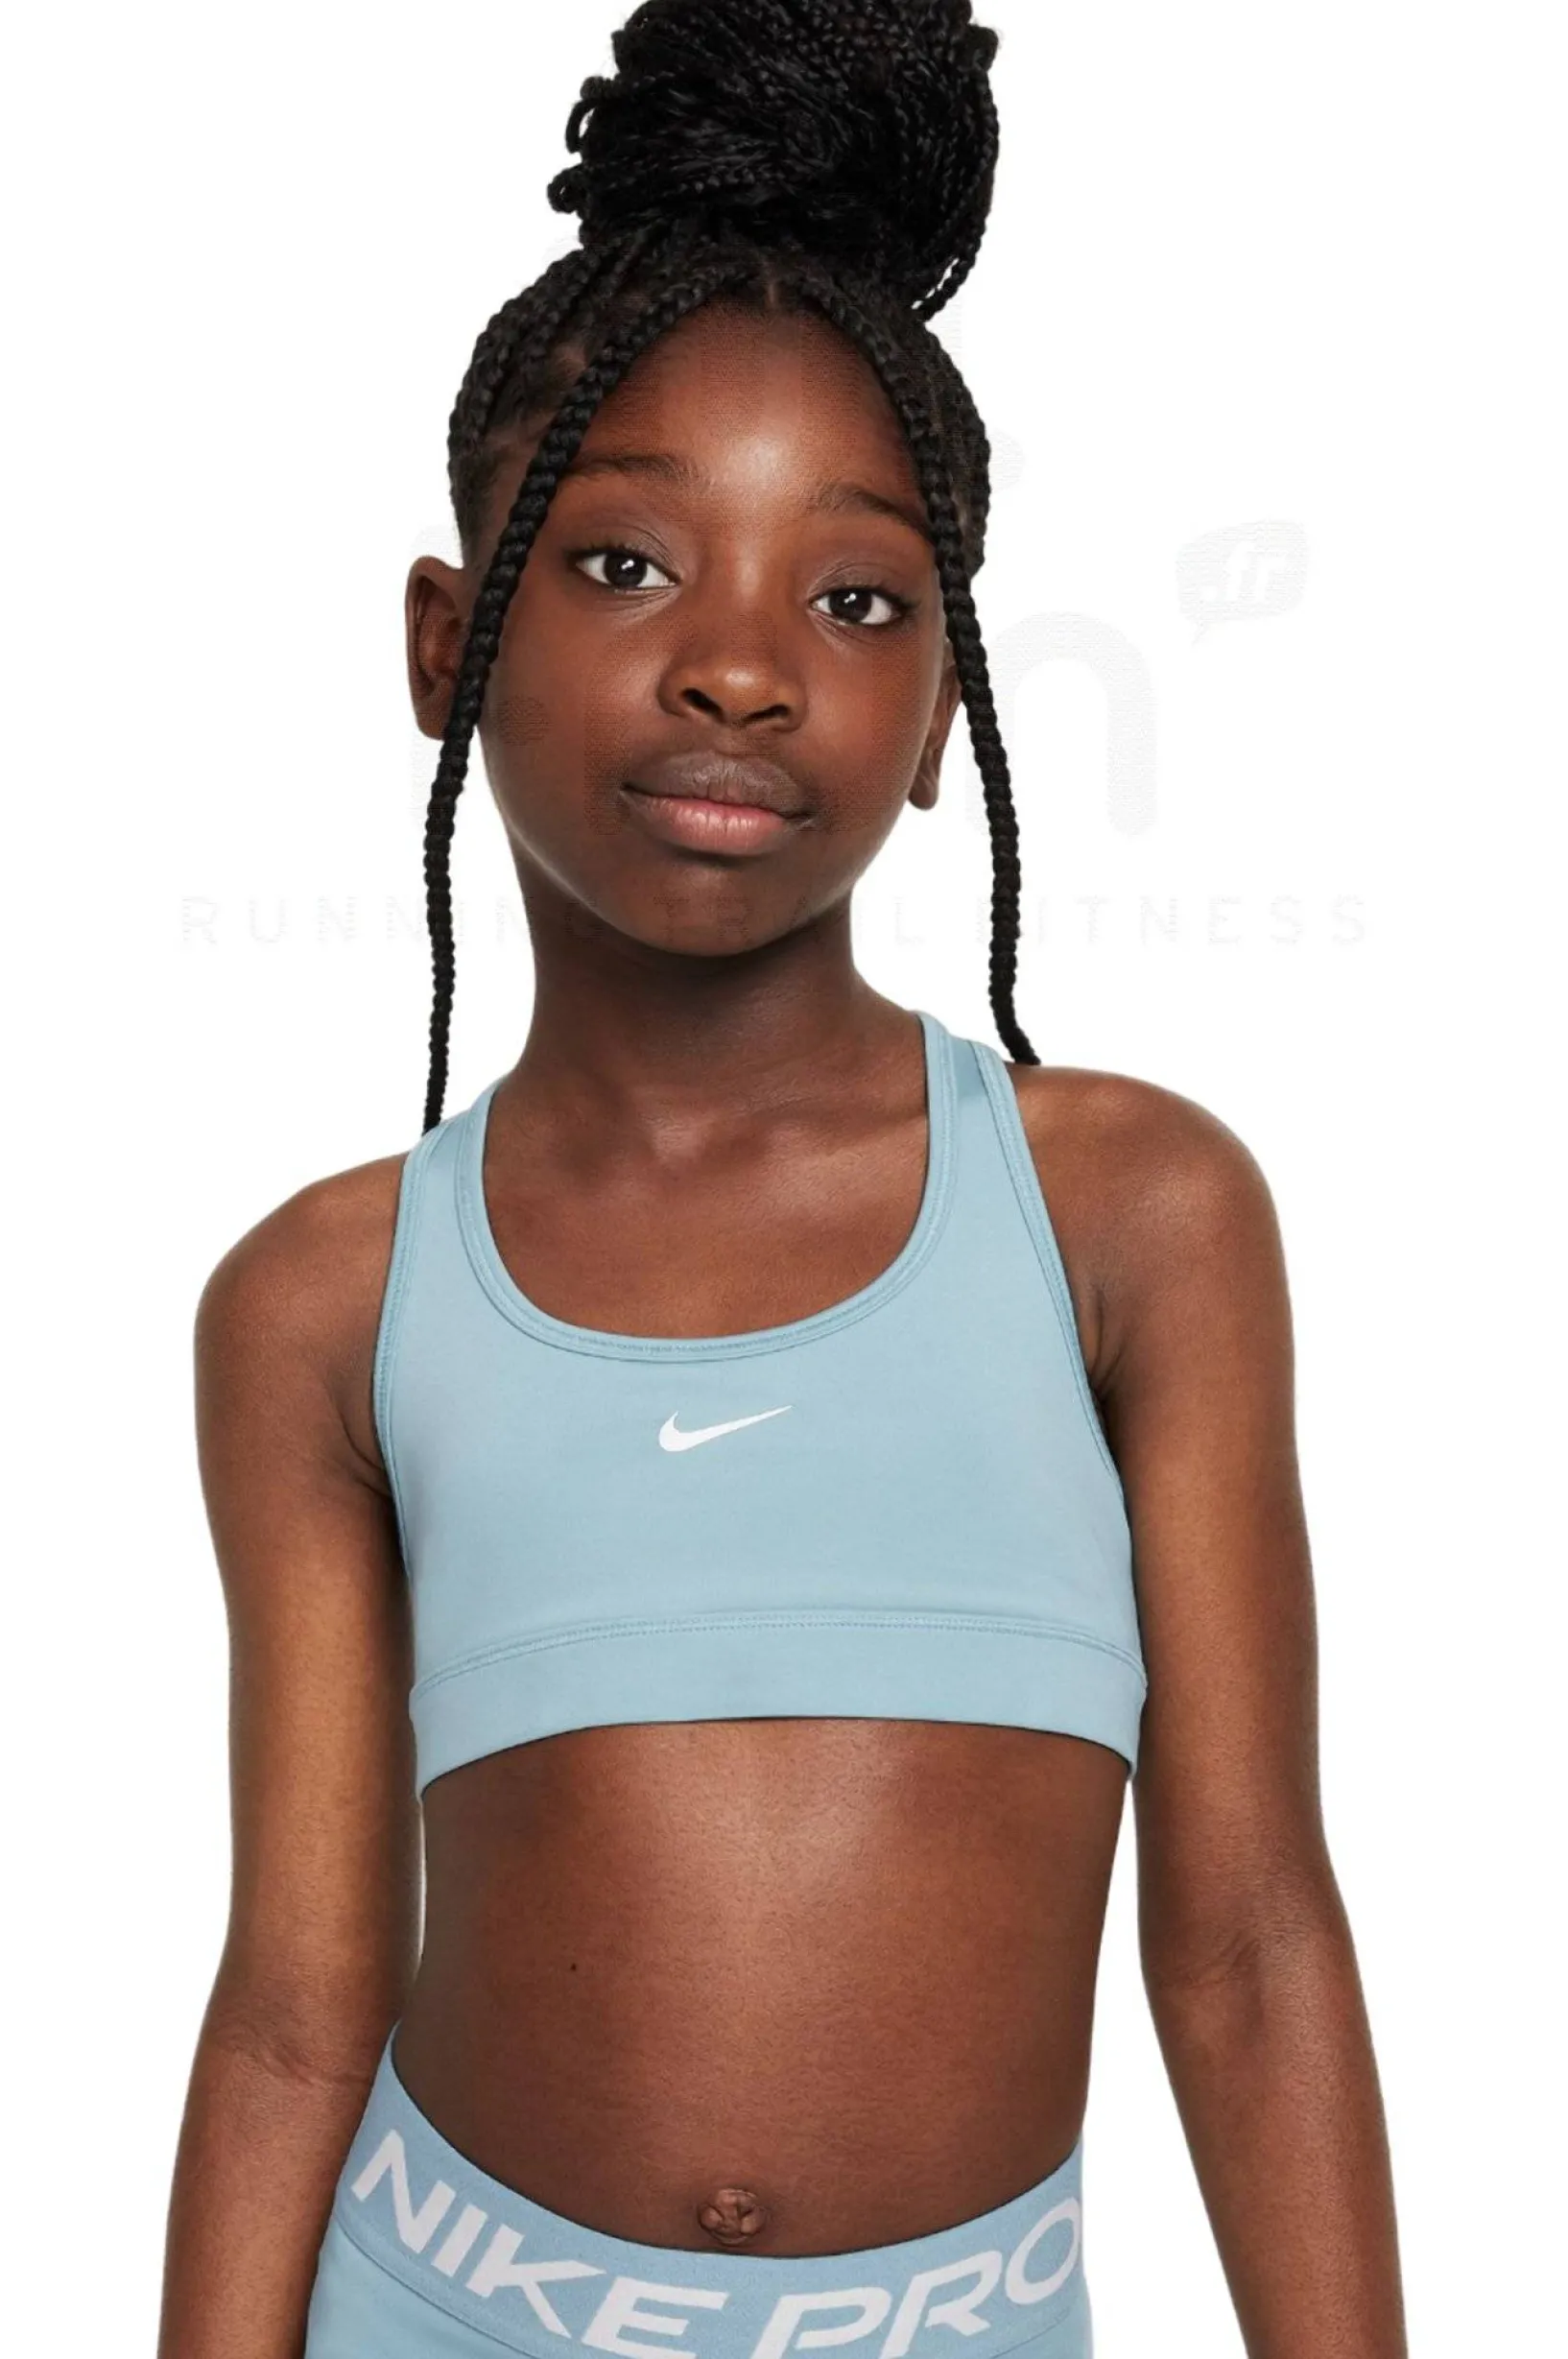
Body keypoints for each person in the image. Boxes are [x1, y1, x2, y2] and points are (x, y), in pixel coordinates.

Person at [156, 5, 1408, 2354]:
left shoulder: (1126, 1215)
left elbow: (1248, 1947)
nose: (739, 669)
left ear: (940, 714)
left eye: (854, 599)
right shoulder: (325, 1298)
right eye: (626, 561)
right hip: (440, 2300)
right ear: (447, 641)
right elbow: (295, 2012)